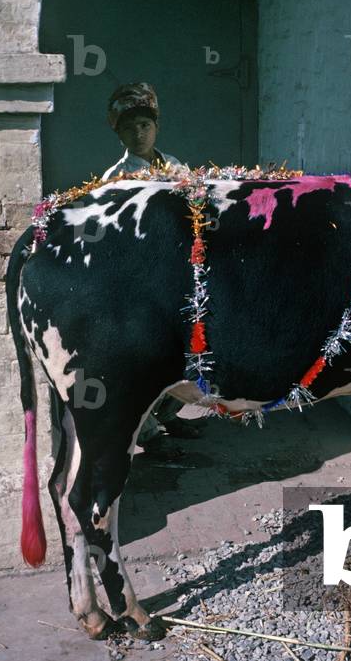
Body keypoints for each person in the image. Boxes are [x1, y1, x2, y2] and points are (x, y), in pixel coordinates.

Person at [102, 82, 203, 459]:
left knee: (188, 348)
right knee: (145, 356)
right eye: (129, 128)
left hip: (179, 271)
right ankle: (146, 430)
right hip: (140, 279)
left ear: (156, 127)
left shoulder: (175, 166)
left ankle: (169, 414)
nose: (139, 134)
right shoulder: (117, 177)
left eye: (145, 125)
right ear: (119, 134)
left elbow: (196, 207)